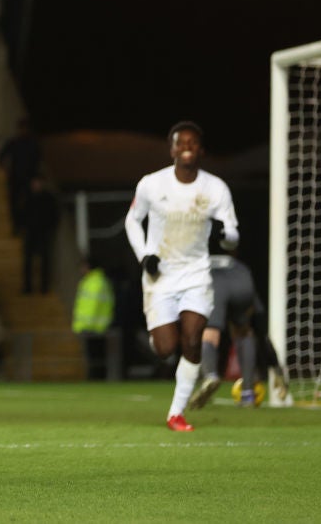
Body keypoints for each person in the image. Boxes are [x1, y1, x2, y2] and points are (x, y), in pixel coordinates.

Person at [124, 121, 240, 432]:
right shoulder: (152, 184)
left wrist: (223, 235)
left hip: (196, 275)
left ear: (201, 149)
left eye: (193, 143)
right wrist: (144, 256)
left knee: (192, 340)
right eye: (181, 142)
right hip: (160, 276)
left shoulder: (215, 188)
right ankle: (158, 336)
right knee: (165, 348)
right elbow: (132, 221)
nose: (187, 147)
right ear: (172, 148)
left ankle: (176, 413)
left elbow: (233, 235)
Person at [188, 254, 287, 409]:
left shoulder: (194, 265)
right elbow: (261, 333)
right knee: (244, 332)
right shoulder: (240, 272)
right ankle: (248, 395)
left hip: (213, 283)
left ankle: (210, 376)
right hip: (243, 282)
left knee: (210, 333)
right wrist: (276, 368)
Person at [71, 256, 115, 380]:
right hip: (95, 326)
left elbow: (93, 306)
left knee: (96, 358)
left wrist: (85, 324)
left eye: (83, 266)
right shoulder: (94, 280)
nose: (81, 269)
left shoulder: (95, 282)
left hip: (94, 327)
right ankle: (96, 377)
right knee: (95, 357)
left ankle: (96, 378)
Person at [0, 117, 41, 236]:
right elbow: (1, 156)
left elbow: (37, 163)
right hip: (15, 178)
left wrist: (36, 179)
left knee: (28, 204)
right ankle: (17, 226)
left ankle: (26, 226)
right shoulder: (14, 142)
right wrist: (6, 168)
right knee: (13, 203)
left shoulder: (33, 144)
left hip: (28, 179)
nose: (24, 131)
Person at [21, 175, 59, 294]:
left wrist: (50, 228)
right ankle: (27, 287)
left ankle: (44, 287)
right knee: (27, 260)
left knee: (44, 260)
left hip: (43, 232)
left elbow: (54, 215)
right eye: (34, 183)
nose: (36, 185)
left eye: (38, 182)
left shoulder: (48, 198)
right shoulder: (27, 197)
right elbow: (22, 214)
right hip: (30, 232)